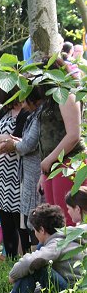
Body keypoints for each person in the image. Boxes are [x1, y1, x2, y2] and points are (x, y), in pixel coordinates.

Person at [8, 203, 86, 293]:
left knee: (36, 264)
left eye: (35, 230)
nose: (35, 234)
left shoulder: (56, 244)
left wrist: (12, 276)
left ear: (41, 230)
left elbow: (30, 262)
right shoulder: (70, 234)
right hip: (77, 289)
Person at [38, 59, 85, 226]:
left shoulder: (66, 95)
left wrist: (51, 159)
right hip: (52, 167)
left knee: (68, 220)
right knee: (56, 222)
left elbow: (73, 135)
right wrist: (44, 172)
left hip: (68, 162)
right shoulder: (49, 100)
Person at [0, 87, 29, 257]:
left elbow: (15, 140)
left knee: (20, 222)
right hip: (0, 173)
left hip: (16, 173)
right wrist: (4, 138)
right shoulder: (5, 110)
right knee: (6, 222)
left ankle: (25, 258)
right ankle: (10, 258)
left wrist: (1, 140)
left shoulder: (26, 113)